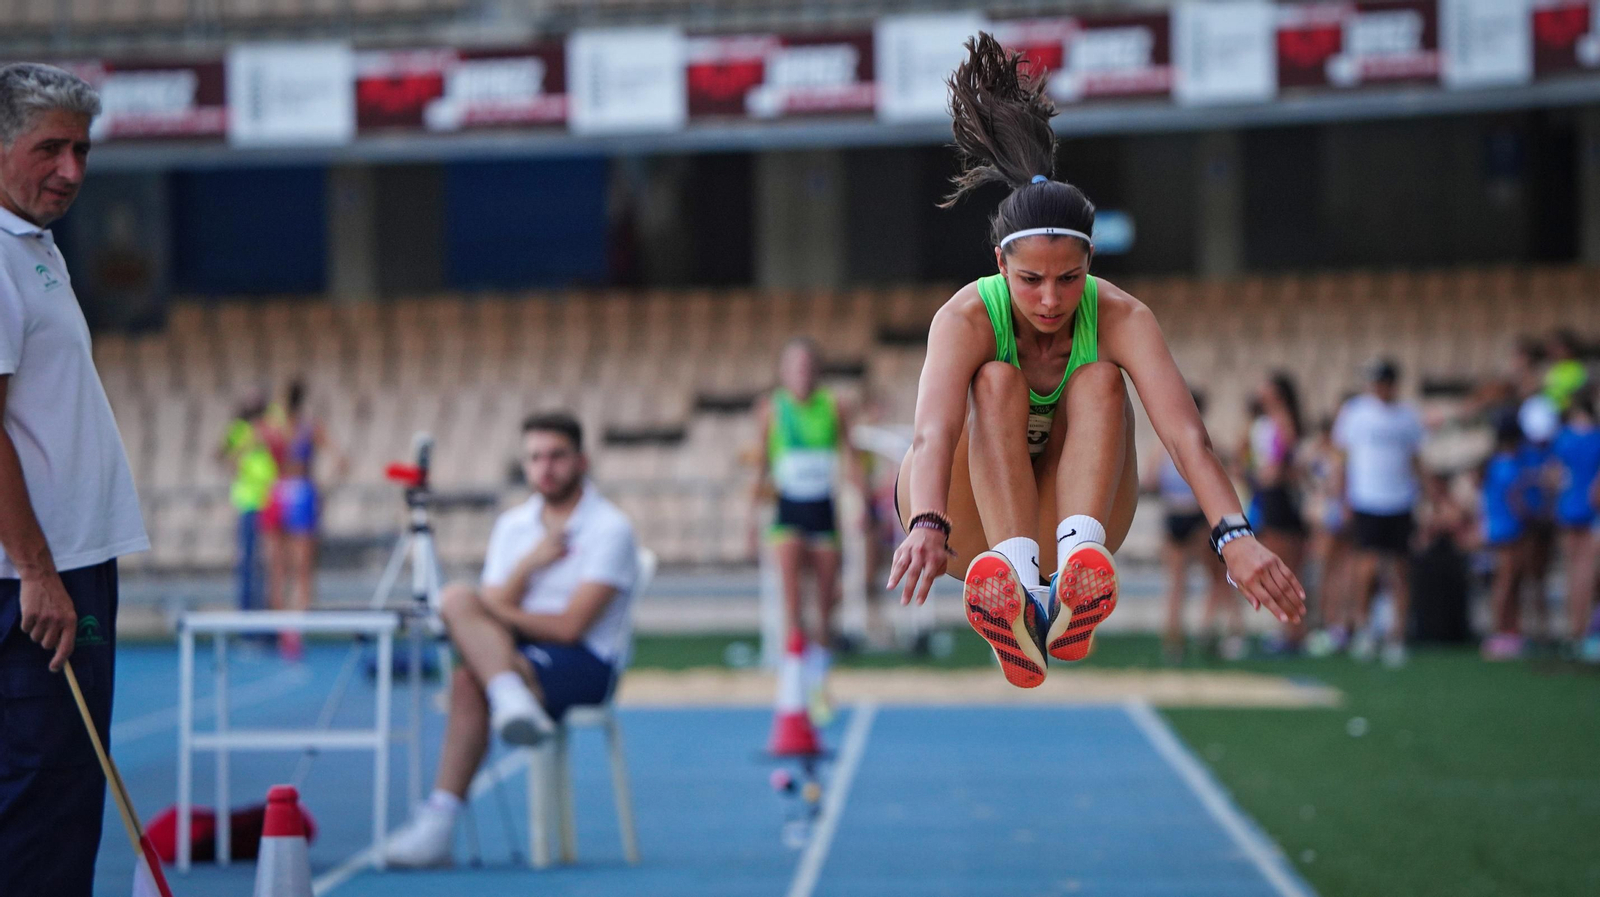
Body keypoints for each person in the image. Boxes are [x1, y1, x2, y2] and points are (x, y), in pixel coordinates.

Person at [886, 34, 1304, 688]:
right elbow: (932, 433)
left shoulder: (1121, 316)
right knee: (995, 379)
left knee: (1103, 379)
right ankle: (1019, 587)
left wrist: (1236, 537)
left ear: (1091, 263)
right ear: (1000, 264)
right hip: (967, 521)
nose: (1051, 301)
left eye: (1069, 279)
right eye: (1030, 281)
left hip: (1075, 515)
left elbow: (1186, 437)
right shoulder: (965, 317)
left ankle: (1073, 578)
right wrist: (927, 522)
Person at [0, 63, 149, 897]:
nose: (71, 170)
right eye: (50, 148)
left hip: (64, 565)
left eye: (82, 150)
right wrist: (36, 568)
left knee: (58, 795)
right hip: (36, 580)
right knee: (45, 801)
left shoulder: (32, 245)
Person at [385, 413, 640, 867]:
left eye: (557, 456)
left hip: (586, 663)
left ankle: (440, 822)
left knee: (466, 640)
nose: (545, 467)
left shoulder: (610, 528)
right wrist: (529, 565)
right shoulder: (513, 526)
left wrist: (491, 609)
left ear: (581, 460)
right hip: (517, 652)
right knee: (459, 611)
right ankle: (506, 700)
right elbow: (487, 606)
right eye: (535, 457)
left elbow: (570, 627)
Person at [751, 338, 863, 711]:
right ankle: (793, 683)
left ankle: (819, 681)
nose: (801, 373)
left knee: (826, 606)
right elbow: (762, 464)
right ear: (783, 372)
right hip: (788, 513)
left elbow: (850, 457)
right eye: (794, 366)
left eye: (807, 366)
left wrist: (860, 501)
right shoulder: (771, 409)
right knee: (793, 604)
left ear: (816, 370)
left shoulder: (834, 406)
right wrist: (751, 519)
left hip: (823, 512)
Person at [1333, 359, 1424, 668]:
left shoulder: (1407, 417)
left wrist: (1425, 495)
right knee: (1367, 568)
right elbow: (1343, 458)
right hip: (1367, 499)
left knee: (1399, 570)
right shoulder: (1356, 413)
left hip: (1400, 500)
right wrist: (1342, 497)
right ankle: (1364, 628)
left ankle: (1397, 635)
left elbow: (1415, 458)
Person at [1148, 389, 1241, 663]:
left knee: (1180, 583)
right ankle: (1208, 629)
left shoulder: (1164, 445)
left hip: (1176, 514)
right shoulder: (1204, 443)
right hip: (1193, 515)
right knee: (1215, 577)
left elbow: (1151, 480)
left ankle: (1176, 641)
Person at [260, 378, 345, 661]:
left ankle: (281, 632)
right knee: (302, 571)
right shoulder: (310, 428)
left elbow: (234, 453)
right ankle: (294, 633)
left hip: (277, 492)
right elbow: (342, 461)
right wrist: (324, 489)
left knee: (277, 569)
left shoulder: (271, 429)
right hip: (302, 492)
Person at [1246, 373, 1308, 654]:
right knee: (1279, 564)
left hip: (1278, 496)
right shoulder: (1264, 421)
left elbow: (1281, 460)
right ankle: (1288, 628)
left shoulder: (1282, 420)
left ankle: (1293, 630)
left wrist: (1266, 474)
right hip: (1267, 495)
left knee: (1286, 565)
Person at [217, 389, 276, 614]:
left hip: (270, 501)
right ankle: (246, 611)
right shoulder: (239, 430)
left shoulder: (270, 427)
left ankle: (267, 611)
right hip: (249, 503)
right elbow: (222, 455)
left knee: (269, 562)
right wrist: (246, 446)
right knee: (248, 560)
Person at [1551, 388, 1600, 657]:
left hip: (1568, 509)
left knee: (1575, 573)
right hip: (1592, 512)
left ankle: (1576, 630)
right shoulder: (1595, 438)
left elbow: (1554, 476)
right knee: (1588, 573)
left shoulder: (1564, 438)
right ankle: (1586, 633)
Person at [1304, 415, 1353, 656]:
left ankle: (1331, 623)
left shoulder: (1329, 456)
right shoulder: (1328, 456)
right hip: (1327, 515)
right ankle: (1330, 623)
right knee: (1330, 571)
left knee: (1332, 572)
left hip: (1328, 515)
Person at [1481, 420, 1529, 660]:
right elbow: (1515, 500)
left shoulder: (1494, 464)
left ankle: (1508, 630)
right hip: (1509, 528)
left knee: (1508, 580)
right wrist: (1532, 517)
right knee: (1507, 580)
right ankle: (1500, 631)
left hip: (1497, 526)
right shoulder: (1509, 465)